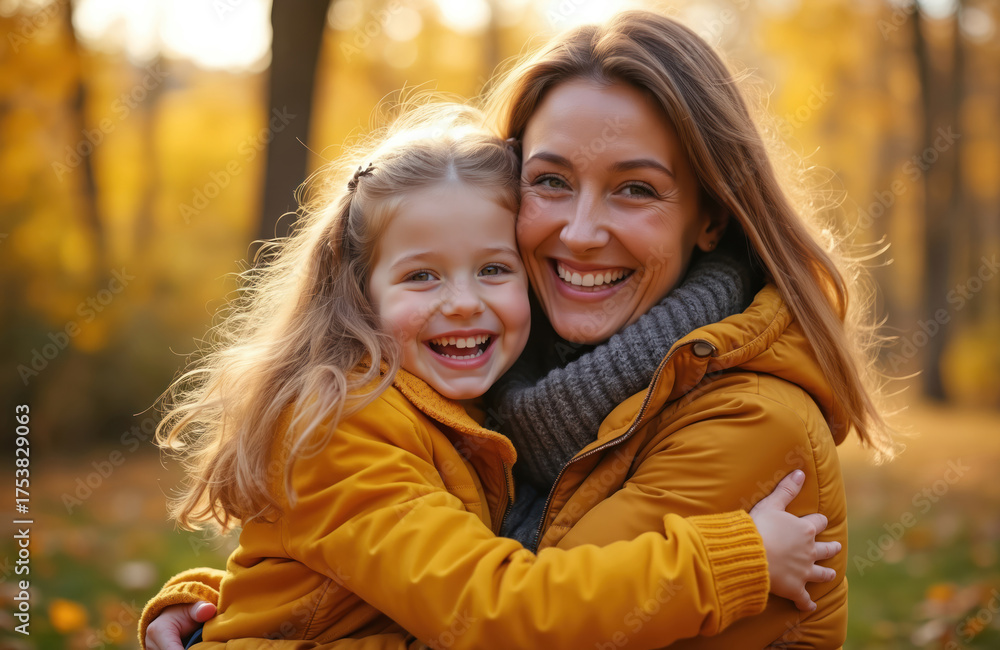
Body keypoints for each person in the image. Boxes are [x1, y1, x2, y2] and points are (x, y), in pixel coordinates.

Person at [145, 9, 886, 649]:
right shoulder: (494, 384)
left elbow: (514, 617)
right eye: (552, 181)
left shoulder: (749, 421)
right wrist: (227, 605)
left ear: (712, 214)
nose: (583, 230)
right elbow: (445, 579)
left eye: (636, 189)